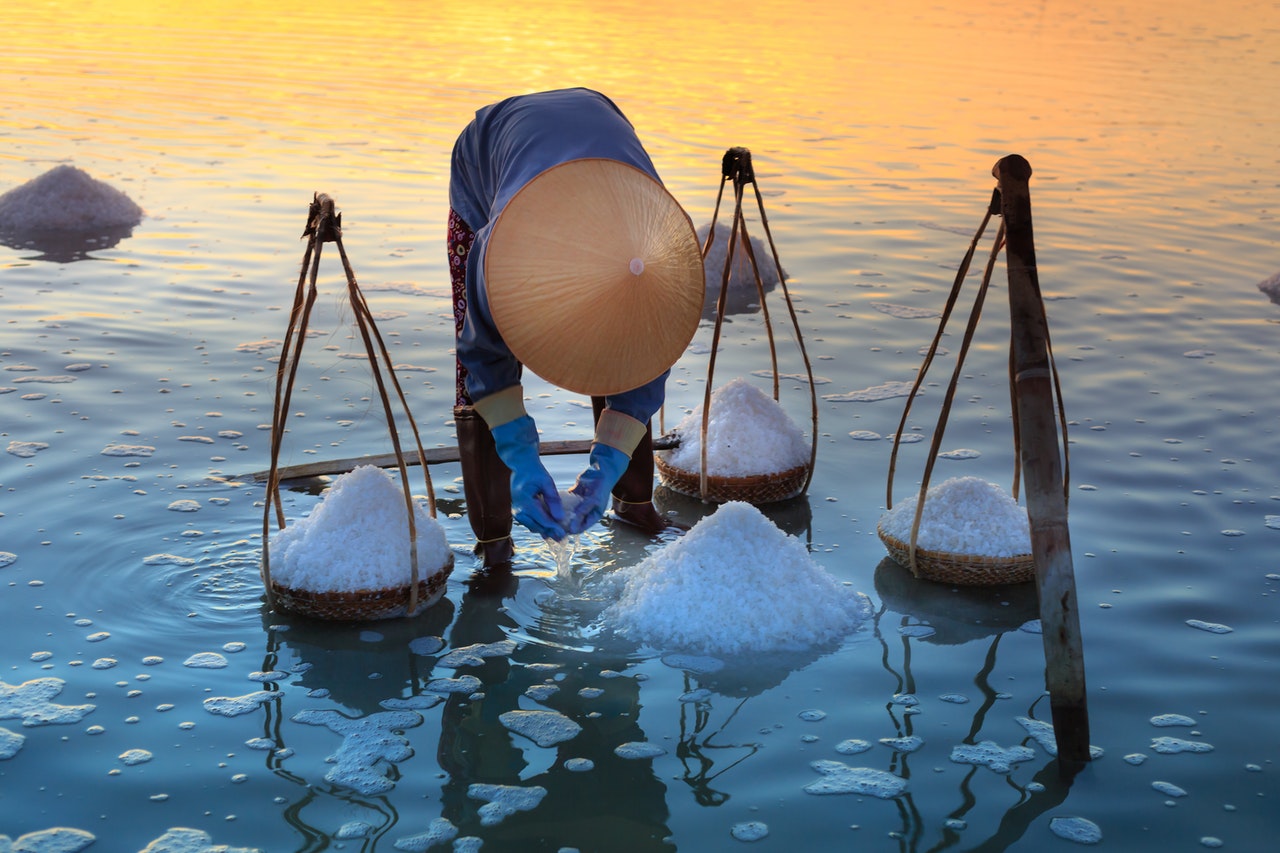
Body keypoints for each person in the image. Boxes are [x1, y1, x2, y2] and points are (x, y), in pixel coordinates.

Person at [447, 88, 704, 567]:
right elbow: (481, 356)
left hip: (602, 138)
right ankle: (494, 546)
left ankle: (633, 505)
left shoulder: (659, 269)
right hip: (488, 154)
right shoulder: (497, 252)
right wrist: (521, 461)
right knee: (480, 367)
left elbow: (646, 371)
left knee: (625, 341)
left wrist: (605, 469)